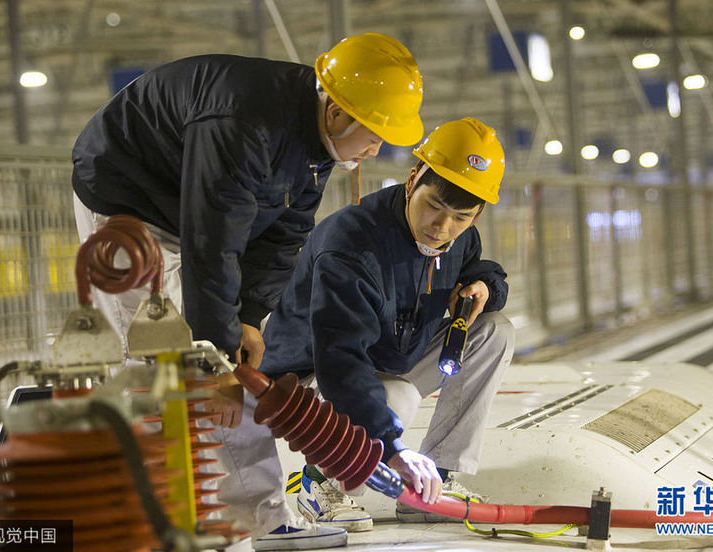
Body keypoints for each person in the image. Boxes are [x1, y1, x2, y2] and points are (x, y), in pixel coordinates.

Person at [71, 33, 424, 550]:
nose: (376, 149)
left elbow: (283, 235)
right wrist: (215, 345)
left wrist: (251, 316)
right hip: (125, 198)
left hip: (186, 210)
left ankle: (259, 519)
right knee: (156, 357)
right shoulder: (245, 121)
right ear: (336, 113)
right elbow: (211, 243)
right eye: (374, 135)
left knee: (227, 367)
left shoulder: (313, 144)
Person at [252, 117, 515, 533]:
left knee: (495, 331)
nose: (441, 228)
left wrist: (484, 285)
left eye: (461, 217)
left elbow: (476, 267)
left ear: (477, 213)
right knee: (397, 395)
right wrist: (392, 447)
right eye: (433, 207)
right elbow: (339, 358)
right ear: (412, 181)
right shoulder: (352, 244)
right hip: (312, 377)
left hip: (392, 353)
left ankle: (437, 483)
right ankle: (321, 485)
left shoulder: (459, 236)